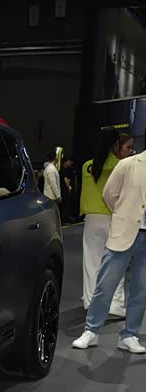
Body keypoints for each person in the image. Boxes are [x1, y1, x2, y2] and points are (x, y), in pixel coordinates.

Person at [73, 135, 146, 353]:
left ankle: (129, 335)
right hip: (124, 233)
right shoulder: (128, 164)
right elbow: (109, 195)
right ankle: (91, 331)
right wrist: (124, 216)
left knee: (140, 290)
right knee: (105, 284)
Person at [79, 131, 134, 316]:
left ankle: (90, 301)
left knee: (92, 262)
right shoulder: (122, 166)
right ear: (116, 145)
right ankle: (115, 304)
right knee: (116, 262)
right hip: (114, 217)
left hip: (91, 218)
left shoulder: (87, 166)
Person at [60, 156, 78, 223]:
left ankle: (66, 218)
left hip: (64, 189)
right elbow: (65, 180)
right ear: (65, 162)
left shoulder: (64, 169)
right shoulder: (63, 170)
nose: (69, 162)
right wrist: (69, 187)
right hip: (64, 189)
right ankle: (65, 219)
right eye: (68, 161)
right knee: (66, 204)